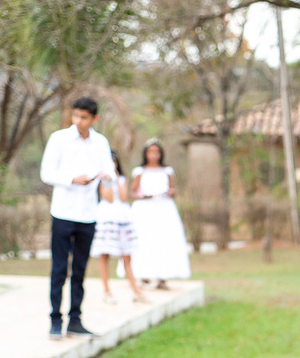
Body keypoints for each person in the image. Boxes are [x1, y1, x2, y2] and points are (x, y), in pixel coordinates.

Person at [40, 95, 114, 340]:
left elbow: (110, 169)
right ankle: (54, 320)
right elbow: (46, 173)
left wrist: (104, 174)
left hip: (88, 214)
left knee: (80, 270)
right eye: (76, 116)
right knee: (60, 268)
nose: (79, 121)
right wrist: (72, 179)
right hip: (63, 212)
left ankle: (75, 320)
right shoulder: (58, 139)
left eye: (84, 117)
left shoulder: (101, 142)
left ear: (95, 118)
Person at [129, 139, 191, 289]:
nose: (153, 155)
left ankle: (163, 277)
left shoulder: (167, 171)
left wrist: (170, 192)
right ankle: (143, 275)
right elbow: (132, 192)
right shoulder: (140, 171)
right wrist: (143, 196)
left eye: (156, 152)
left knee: (163, 241)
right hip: (145, 210)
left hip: (163, 209)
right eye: (150, 152)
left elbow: (172, 190)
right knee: (144, 240)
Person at [93, 152, 148, 305]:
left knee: (126, 255)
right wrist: (107, 180)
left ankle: (136, 290)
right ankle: (106, 290)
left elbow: (123, 197)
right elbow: (109, 198)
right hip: (107, 218)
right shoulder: (101, 180)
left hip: (123, 218)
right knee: (105, 255)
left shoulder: (122, 179)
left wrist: (116, 179)